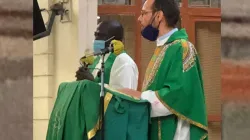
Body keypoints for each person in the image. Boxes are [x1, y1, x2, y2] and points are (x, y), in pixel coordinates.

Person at [119, 0, 208, 140]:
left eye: (144, 13)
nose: (139, 19)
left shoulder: (182, 48)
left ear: (159, 16)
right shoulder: (164, 48)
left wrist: (138, 96)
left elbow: (176, 96)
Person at [75, 20, 138, 90]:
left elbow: (123, 96)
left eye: (100, 36)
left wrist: (91, 83)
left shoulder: (124, 62)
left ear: (115, 39)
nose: (96, 39)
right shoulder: (99, 59)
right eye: (95, 35)